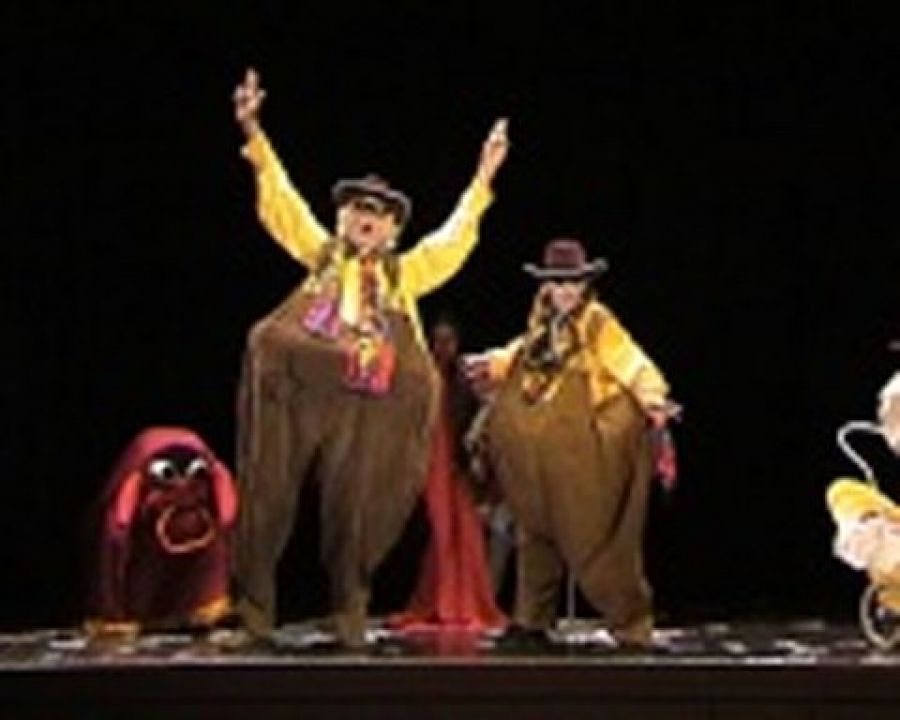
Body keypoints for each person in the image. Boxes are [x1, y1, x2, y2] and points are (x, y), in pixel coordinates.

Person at [231, 68, 509, 647]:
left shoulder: (405, 276)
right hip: (307, 392)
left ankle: (349, 612)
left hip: (369, 406)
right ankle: (254, 614)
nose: (368, 216)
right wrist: (254, 133)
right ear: (343, 218)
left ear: (392, 230)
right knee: (268, 487)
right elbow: (283, 204)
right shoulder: (321, 257)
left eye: (380, 213)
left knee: (358, 506)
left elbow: (453, 238)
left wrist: (483, 178)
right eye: (359, 207)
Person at [465, 237, 674, 648]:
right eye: (556, 282)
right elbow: (521, 355)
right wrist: (496, 361)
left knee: (591, 540)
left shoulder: (596, 323)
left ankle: (630, 623)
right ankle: (532, 621)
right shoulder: (541, 324)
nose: (563, 290)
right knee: (535, 535)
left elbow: (631, 360)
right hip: (538, 457)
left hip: (580, 454)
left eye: (571, 282)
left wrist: (653, 398)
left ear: (584, 285)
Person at [389, 318, 506, 632]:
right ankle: (444, 602)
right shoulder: (422, 378)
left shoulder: (463, 379)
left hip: (458, 464)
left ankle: (463, 602)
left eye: (449, 340)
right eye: (438, 341)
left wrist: (475, 462)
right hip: (432, 464)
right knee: (443, 532)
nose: (444, 347)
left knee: (465, 533)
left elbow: (482, 414)